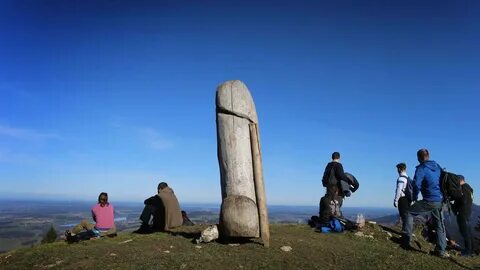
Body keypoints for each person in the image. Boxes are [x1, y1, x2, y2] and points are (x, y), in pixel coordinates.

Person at [402, 149, 448, 258]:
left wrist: (414, 197)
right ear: (428, 156)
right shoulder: (437, 166)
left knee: (409, 213)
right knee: (439, 224)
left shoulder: (421, 168)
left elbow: (416, 185)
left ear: (418, 157)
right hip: (439, 200)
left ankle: (406, 241)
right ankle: (441, 251)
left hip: (429, 200)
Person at [320, 152, 350, 218]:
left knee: (329, 203)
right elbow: (341, 176)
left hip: (328, 188)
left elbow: (325, 176)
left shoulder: (328, 165)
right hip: (336, 189)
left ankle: (328, 218)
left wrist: (325, 184)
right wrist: (347, 185)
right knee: (336, 203)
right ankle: (336, 218)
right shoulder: (338, 165)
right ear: (339, 158)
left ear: (332, 157)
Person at [452, 175, 474, 256]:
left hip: (463, 213)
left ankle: (467, 251)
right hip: (468, 212)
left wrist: (456, 206)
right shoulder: (469, 188)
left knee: (465, 232)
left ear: (459, 180)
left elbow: (463, 200)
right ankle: (471, 250)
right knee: (468, 232)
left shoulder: (464, 188)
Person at [393, 163, 411, 233]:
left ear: (400, 169)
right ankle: (406, 231)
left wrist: (396, 200)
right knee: (406, 216)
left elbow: (398, 190)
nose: (397, 171)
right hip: (408, 199)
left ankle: (405, 233)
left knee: (404, 217)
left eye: (397, 169)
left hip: (402, 199)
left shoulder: (401, 179)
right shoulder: (408, 178)